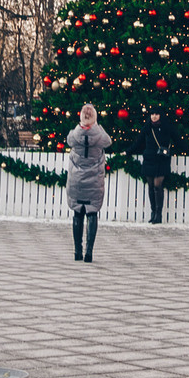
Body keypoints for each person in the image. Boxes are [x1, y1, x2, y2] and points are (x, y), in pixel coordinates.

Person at [67, 103, 110, 262]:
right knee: (92, 212)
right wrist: (96, 125)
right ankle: (89, 252)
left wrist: (81, 125)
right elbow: (108, 141)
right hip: (94, 180)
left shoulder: (75, 135)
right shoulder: (99, 135)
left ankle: (77, 251)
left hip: (77, 180)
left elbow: (69, 140)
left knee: (78, 213)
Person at [138, 112, 174, 225]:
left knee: (158, 186)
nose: (154, 116)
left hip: (161, 160)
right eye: (152, 114)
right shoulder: (147, 128)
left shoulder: (166, 127)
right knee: (151, 186)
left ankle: (158, 213)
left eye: (157, 114)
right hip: (149, 160)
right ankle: (153, 212)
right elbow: (138, 142)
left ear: (160, 115)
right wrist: (127, 151)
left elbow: (178, 139)